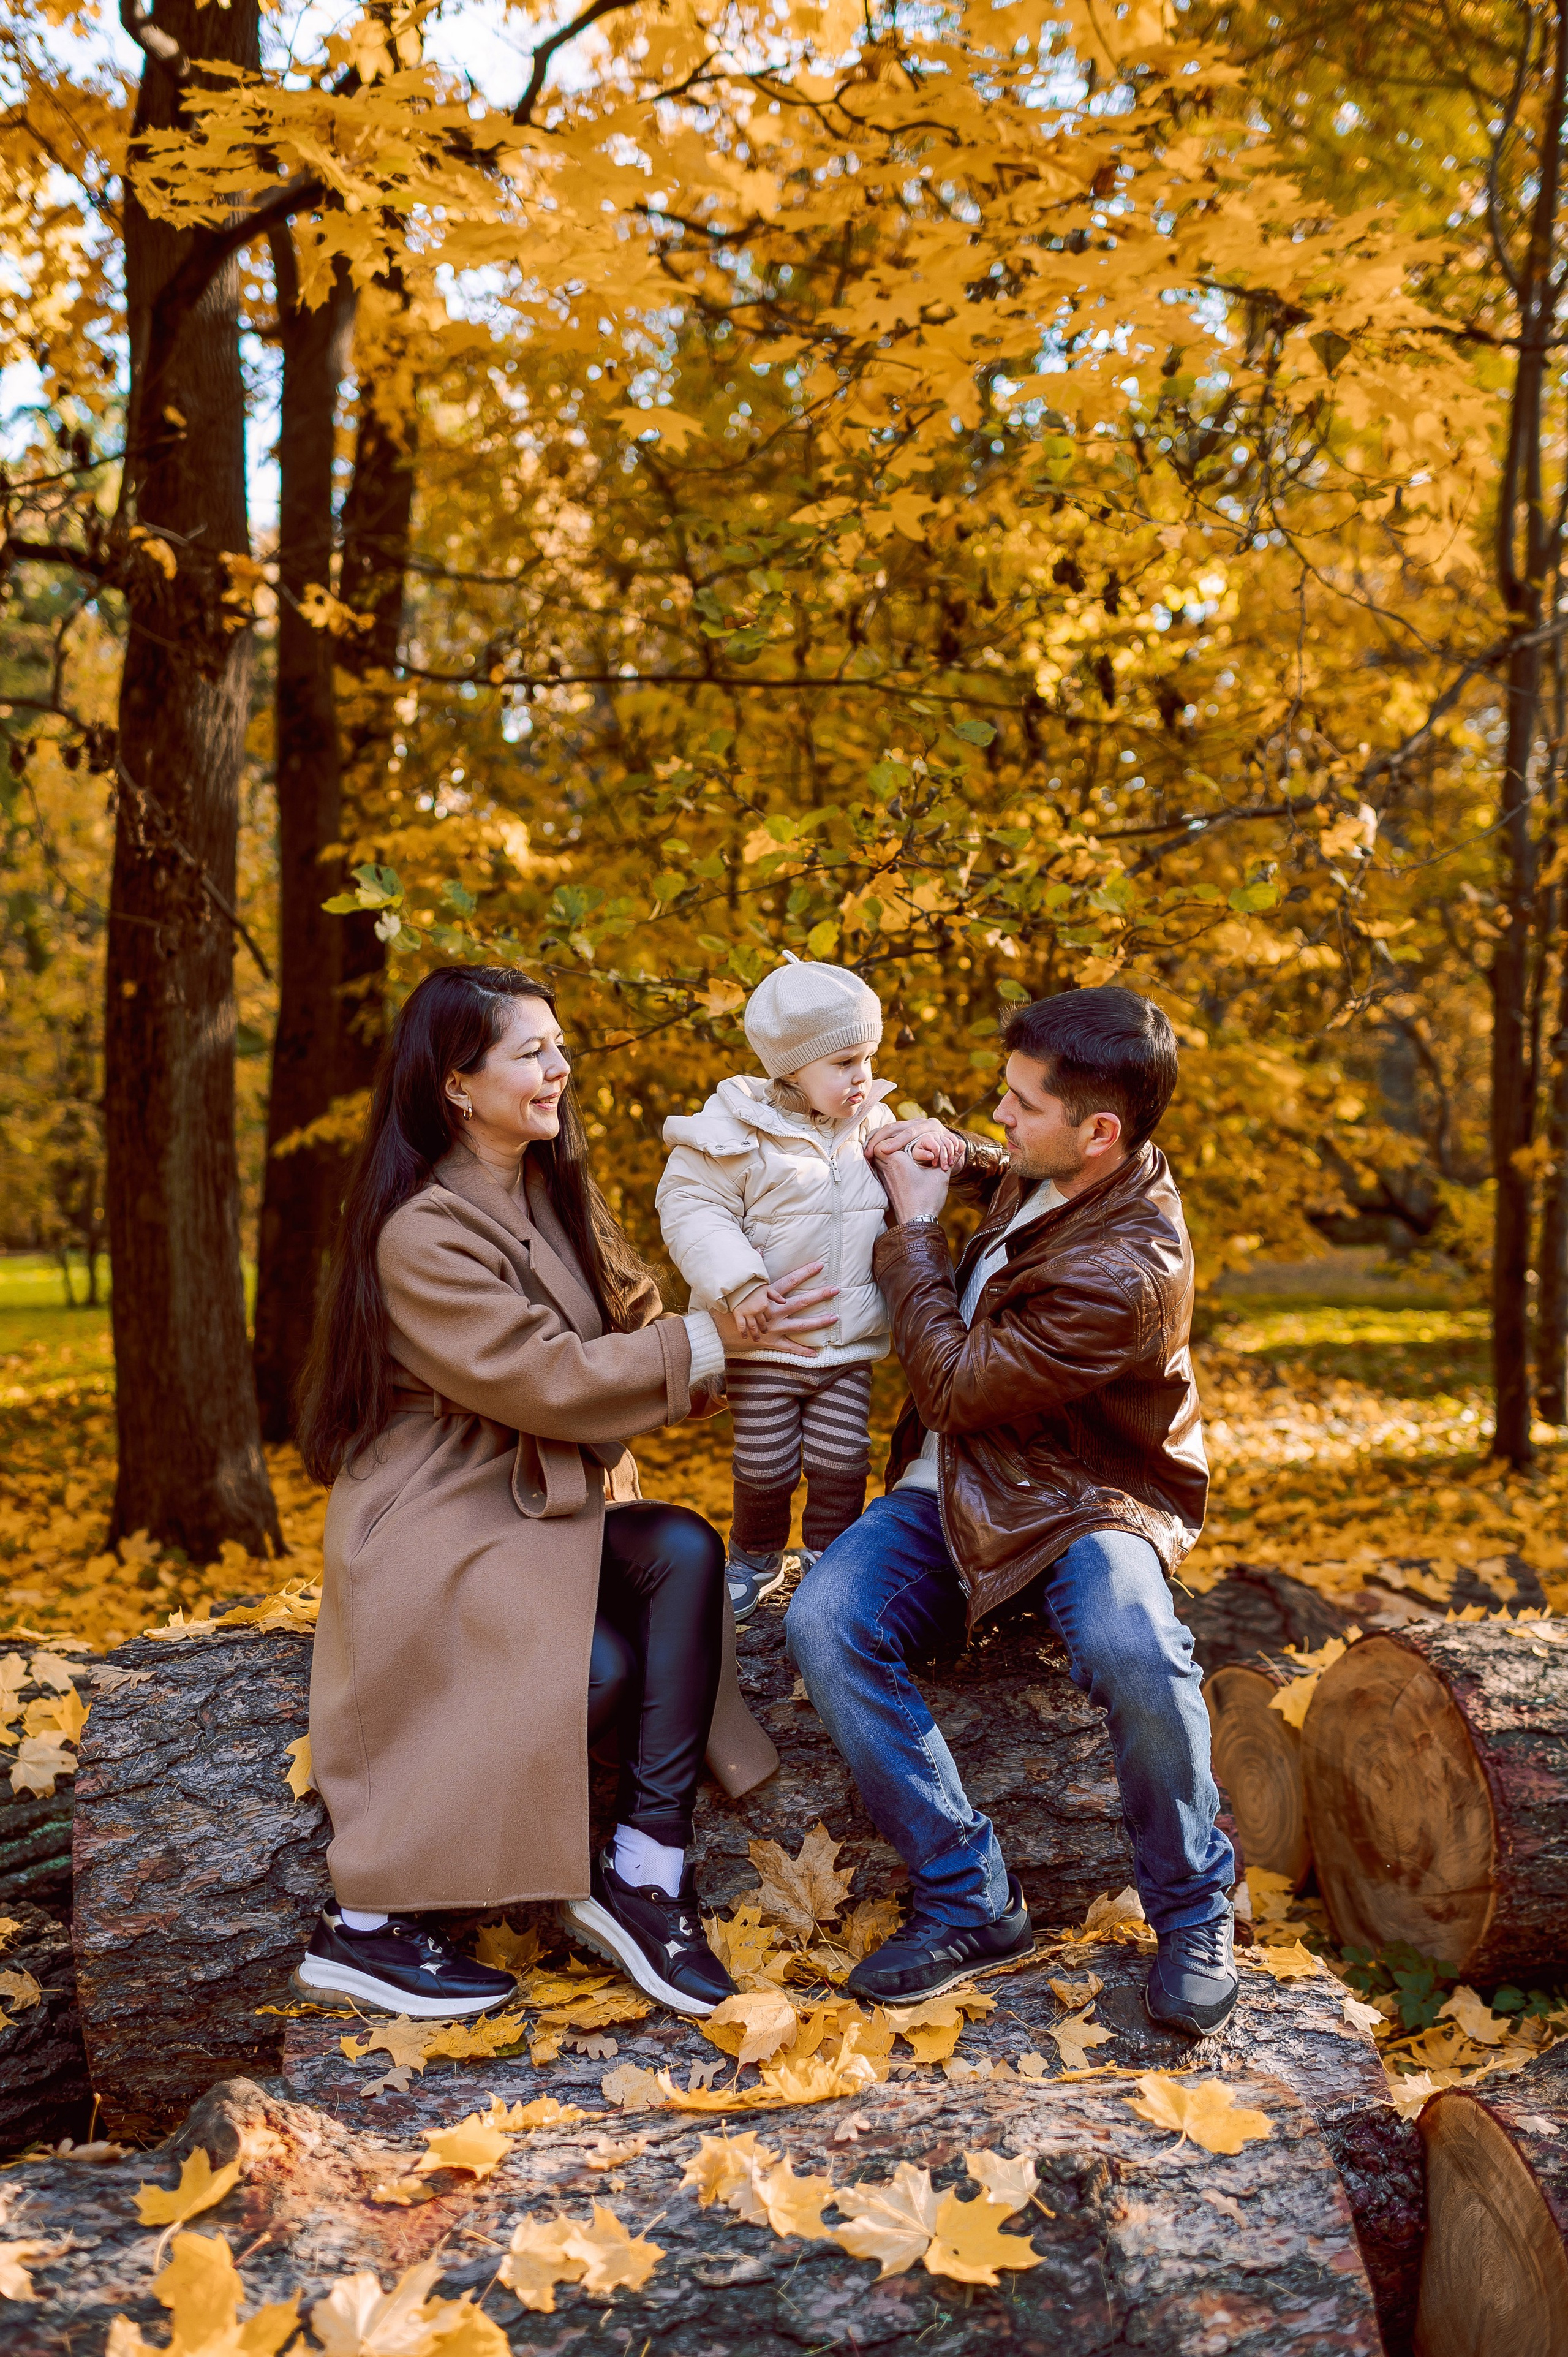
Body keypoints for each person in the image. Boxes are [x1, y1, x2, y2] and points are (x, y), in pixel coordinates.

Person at [293, 966, 832, 2020]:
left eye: (558, 1044)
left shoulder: (550, 1186)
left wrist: (745, 1299)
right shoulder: (420, 1229)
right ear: (457, 1084)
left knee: (680, 1544)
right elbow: (543, 1377)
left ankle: (644, 1874)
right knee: (594, 1669)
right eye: (531, 1051)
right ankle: (367, 1926)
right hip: (439, 1514)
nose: (559, 1067)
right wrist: (704, 1346)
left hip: (531, 1503)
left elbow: (627, 1329)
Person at [785, 986, 1238, 2036]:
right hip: (963, 1477)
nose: (999, 1114)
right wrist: (964, 1153)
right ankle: (970, 1895)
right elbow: (1026, 1197)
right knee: (823, 1620)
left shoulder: (1127, 1273)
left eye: (1018, 1104)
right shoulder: (1068, 1170)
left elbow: (944, 1385)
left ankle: (1193, 1907)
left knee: (1133, 1638)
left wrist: (911, 1231)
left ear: (1099, 1131)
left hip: (1083, 1496)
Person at [657, 956, 961, 1623]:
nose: (862, 1076)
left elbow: (919, 1158)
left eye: (868, 1058)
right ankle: (755, 1555)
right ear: (791, 1068)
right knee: (765, 1463)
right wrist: (739, 1283)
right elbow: (693, 1210)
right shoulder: (734, 1133)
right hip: (770, 1339)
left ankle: (831, 1557)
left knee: (842, 1458)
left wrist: (938, 1142)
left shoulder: (874, 1129)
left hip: (845, 1345)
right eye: (843, 1062)